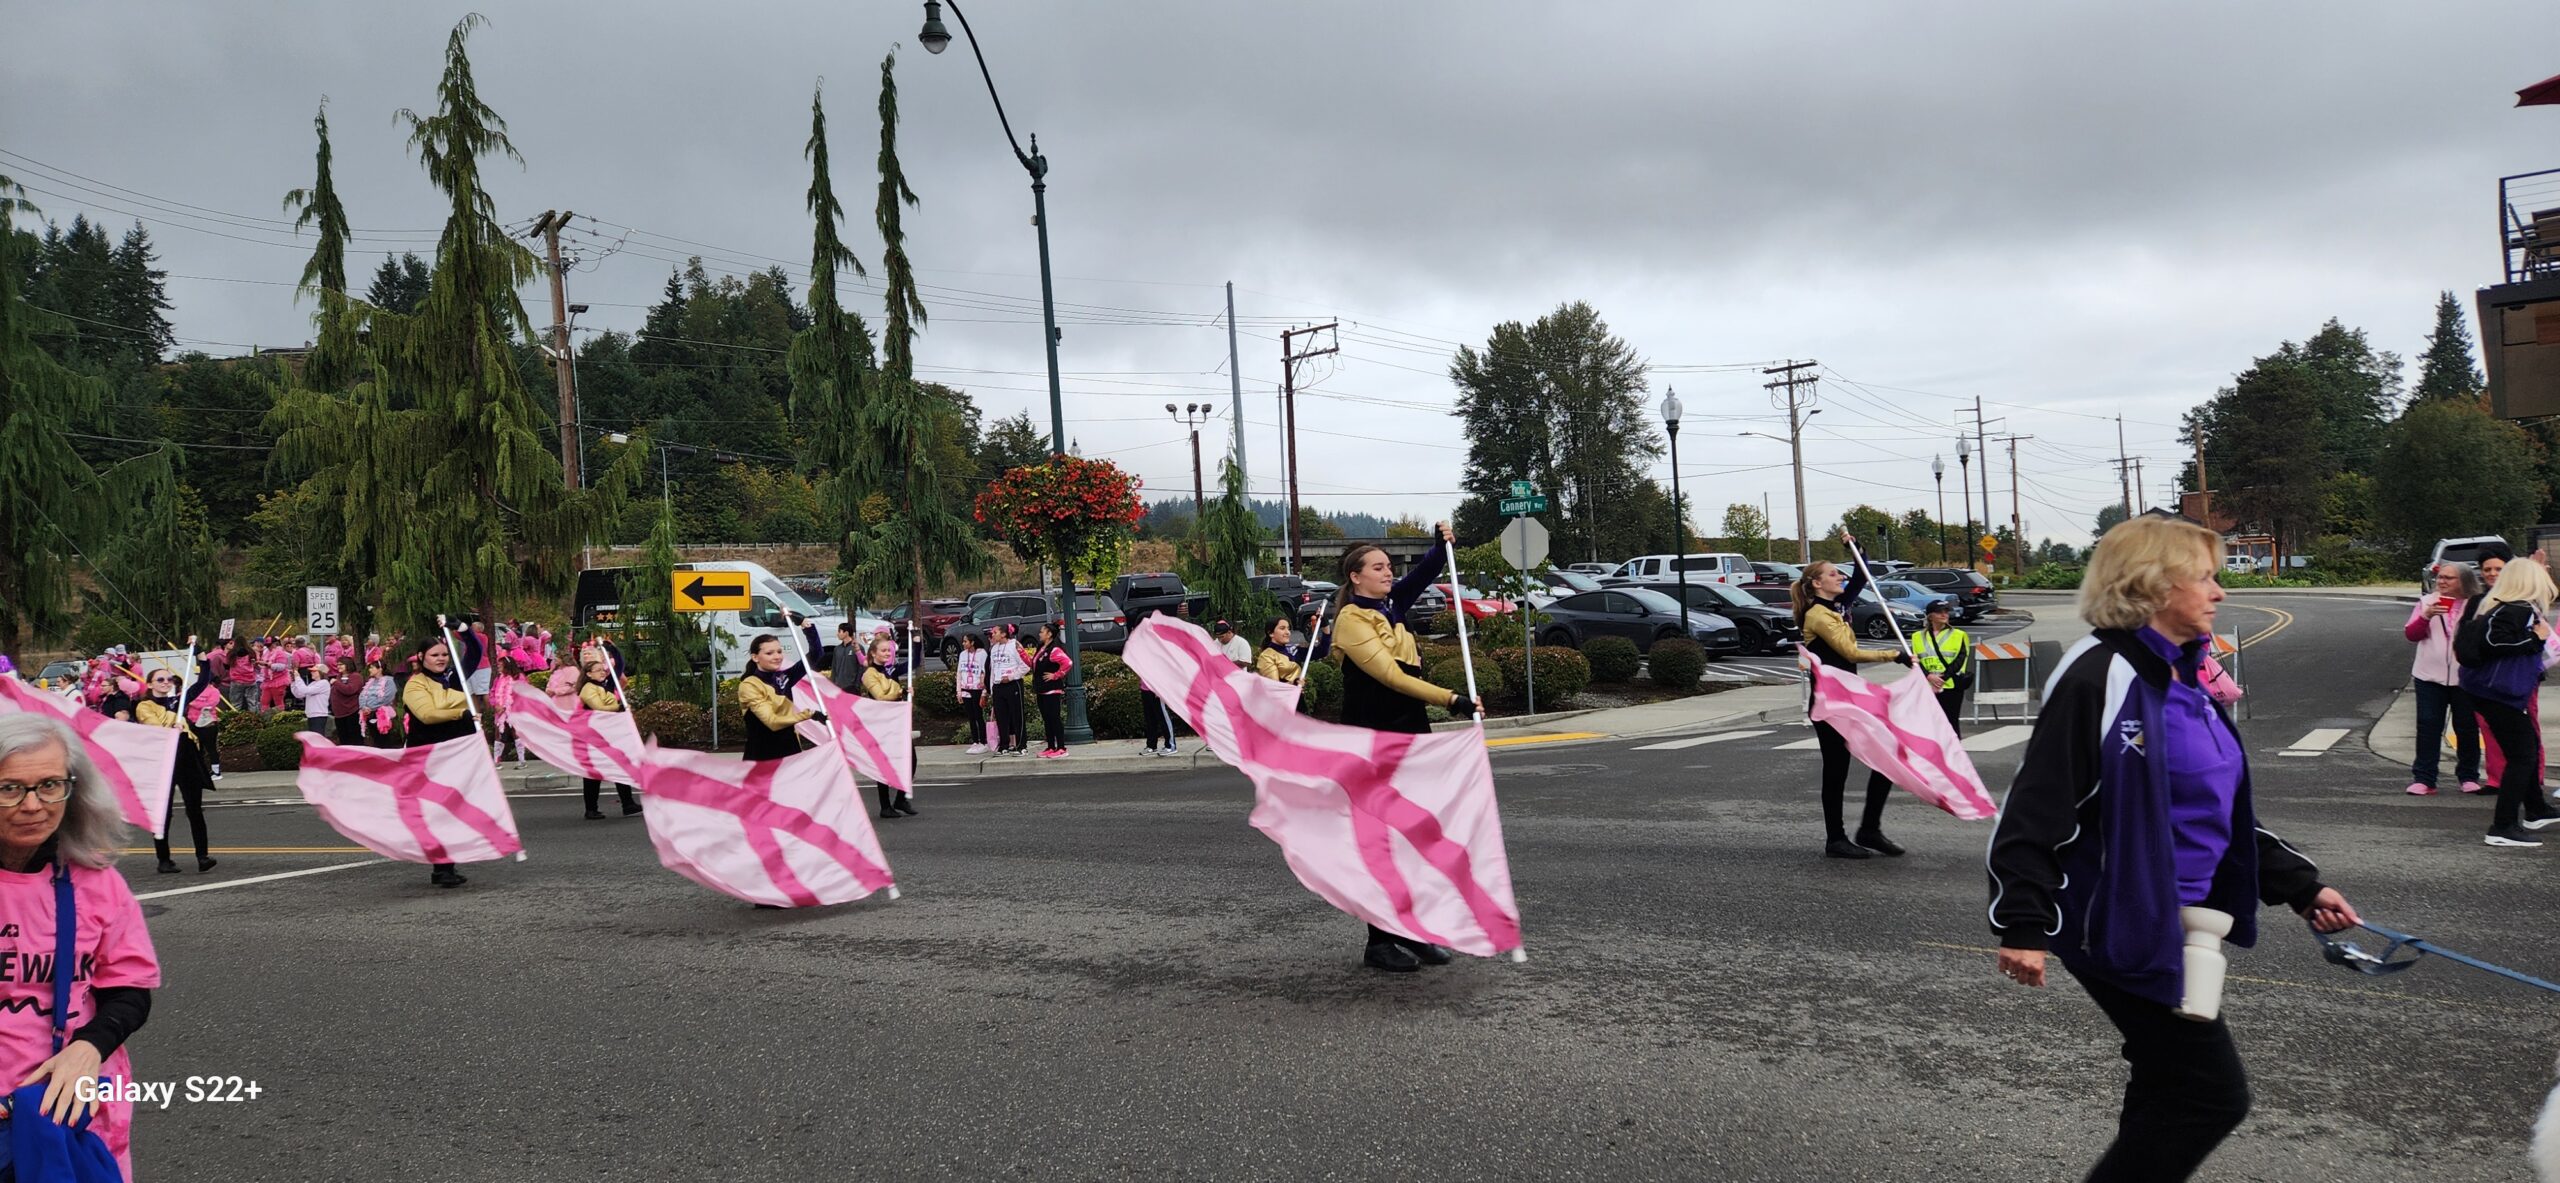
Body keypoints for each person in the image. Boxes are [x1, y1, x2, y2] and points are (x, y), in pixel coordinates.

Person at [1987, 514, 2360, 1182]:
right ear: (2153, 585)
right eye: (2205, 576)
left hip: (2178, 919)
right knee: (2206, 1093)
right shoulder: (2102, 674)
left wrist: (2300, 884)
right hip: (2116, 919)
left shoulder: (2188, 675)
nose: (2219, 591)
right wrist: (2022, 920)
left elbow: (2212, 810)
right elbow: (2036, 805)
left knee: (2167, 1084)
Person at [0, 713, 163, 1180]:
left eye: (50, 785)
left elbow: (129, 988)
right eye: (11, 788)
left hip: (76, 1103)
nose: (34, 805)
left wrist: (89, 1047)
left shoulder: (97, 883)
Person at [1332, 525, 1479, 972]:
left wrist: (1440, 544)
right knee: (1387, 841)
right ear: (1355, 577)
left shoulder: (1393, 603)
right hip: (1374, 734)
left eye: (1390, 567)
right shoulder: (1352, 620)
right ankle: (1381, 940)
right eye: (1378, 567)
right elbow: (1391, 677)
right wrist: (1452, 699)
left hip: (1409, 728)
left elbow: (1429, 569)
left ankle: (1416, 933)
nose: (1388, 573)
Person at [1794, 535, 1910, 860]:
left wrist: (1857, 548)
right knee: (1836, 769)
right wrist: (1895, 655)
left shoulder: (1839, 605)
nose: (1840, 577)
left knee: (1887, 755)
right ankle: (1836, 839)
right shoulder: (1817, 615)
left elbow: (1861, 574)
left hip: (1851, 697)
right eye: (1833, 574)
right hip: (1830, 703)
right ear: (1817, 583)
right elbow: (1849, 652)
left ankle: (1869, 829)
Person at [2459, 557, 2560, 848]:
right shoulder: (2517, 608)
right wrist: (2535, 639)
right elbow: (2496, 644)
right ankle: (2502, 826)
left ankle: (2536, 810)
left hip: (2488, 690)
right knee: (2523, 755)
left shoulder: (2497, 605)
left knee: (2525, 748)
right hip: (2500, 692)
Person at [405, 627, 478, 889]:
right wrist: (460, 714)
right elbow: (427, 714)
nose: (441, 658)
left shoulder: (453, 678)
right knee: (439, 811)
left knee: (454, 810)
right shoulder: (415, 684)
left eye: (445, 654)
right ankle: (442, 868)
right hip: (429, 756)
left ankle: (446, 866)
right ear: (421, 657)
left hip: (456, 754)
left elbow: (476, 652)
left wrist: (462, 629)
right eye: (435, 654)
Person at [2404, 562, 2484, 796]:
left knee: (2467, 728)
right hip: (2429, 676)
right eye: (2440, 577)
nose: (2442, 581)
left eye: (2449, 578)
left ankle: (2468, 776)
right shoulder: (2427, 602)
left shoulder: (2477, 606)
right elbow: (2412, 634)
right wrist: (2426, 616)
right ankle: (2424, 779)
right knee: (2428, 726)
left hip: (2465, 678)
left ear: (2464, 582)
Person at [2467, 550, 2542, 793]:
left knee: (2525, 741)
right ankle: (2505, 812)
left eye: (2498, 569)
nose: (2492, 574)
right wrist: (2534, 640)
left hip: (2498, 682)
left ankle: (2533, 800)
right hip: (2500, 683)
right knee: (2520, 746)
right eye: (2487, 569)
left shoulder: (2508, 605)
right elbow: (2492, 642)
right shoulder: (2503, 606)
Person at [133, 663, 215, 875]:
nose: (166, 682)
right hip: (163, 759)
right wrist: (172, 726)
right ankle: (164, 859)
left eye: (169, 679)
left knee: (195, 809)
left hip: (186, 755)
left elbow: (204, 680)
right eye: (160, 679)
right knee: (163, 812)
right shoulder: (145, 706)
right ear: (150, 684)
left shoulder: (179, 701)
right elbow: (154, 729)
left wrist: (202, 657)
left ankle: (203, 856)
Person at [575, 654, 642, 820]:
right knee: (594, 773)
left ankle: (628, 804)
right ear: (588, 673)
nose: (602, 672)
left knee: (620, 765)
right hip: (594, 735)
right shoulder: (588, 688)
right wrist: (618, 707)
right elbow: (598, 707)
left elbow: (619, 666)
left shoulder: (603, 686)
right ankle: (591, 808)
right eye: (597, 670)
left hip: (608, 733)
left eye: (602, 669)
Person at [860, 636, 919, 819]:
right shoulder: (869, 674)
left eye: (889, 650)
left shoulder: (891, 668)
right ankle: (885, 806)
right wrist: (901, 691)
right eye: (883, 650)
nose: (887, 653)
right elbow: (880, 696)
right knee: (883, 764)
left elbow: (914, 663)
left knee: (911, 759)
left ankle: (900, 799)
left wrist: (916, 643)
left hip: (897, 720)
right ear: (873, 653)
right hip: (881, 723)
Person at [738, 633, 820, 763]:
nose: (777, 657)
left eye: (779, 652)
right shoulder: (750, 685)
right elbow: (772, 722)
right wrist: (809, 714)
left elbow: (816, 655)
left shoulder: (784, 677)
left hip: (790, 753)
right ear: (755, 657)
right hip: (762, 757)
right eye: (769, 653)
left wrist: (807, 627)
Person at [1910, 598, 1972, 731]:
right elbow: (1915, 661)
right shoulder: (1917, 637)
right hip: (1927, 685)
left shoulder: (1959, 635)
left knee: (1951, 723)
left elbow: (1961, 660)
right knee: (1929, 724)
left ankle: (1954, 751)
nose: (1944, 615)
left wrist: (1942, 679)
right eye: (1939, 612)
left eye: (1946, 611)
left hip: (1951, 686)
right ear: (1930, 616)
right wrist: (1928, 676)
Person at [1030, 621, 1075, 758]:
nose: (1040, 633)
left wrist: (1056, 675)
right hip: (1041, 689)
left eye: (1042, 631)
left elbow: (1068, 663)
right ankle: (1050, 746)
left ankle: (1061, 747)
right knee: (1047, 719)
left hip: (1052, 689)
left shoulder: (1054, 649)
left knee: (1054, 718)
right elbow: (1033, 664)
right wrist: (1020, 652)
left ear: (1049, 634)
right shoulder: (1041, 648)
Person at [988, 624, 1029, 756]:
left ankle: (1021, 745)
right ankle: (1004, 745)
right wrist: (992, 689)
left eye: (995, 632)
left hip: (1013, 684)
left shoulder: (1014, 645)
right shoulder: (994, 648)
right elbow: (992, 670)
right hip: (998, 685)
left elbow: (1026, 665)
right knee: (1001, 717)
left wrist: (1011, 677)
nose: (992, 634)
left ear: (1004, 634)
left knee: (1017, 715)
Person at [954, 632, 989, 755]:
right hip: (965, 688)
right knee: (971, 717)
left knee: (978, 715)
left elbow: (985, 672)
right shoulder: (963, 654)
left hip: (977, 688)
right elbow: (959, 672)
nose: (963, 644)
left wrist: (984, 691)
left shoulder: (982, 654)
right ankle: (975, 741)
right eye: (963, 641)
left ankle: (983, 741)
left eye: (965, 641)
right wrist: (959, 690)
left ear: (972, 642)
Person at [357, 660, 400, 748]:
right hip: (368, 713)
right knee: (375, 737)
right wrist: (363, 707)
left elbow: (387, 698)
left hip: (381, 713)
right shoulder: (371, 681)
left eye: (372, 667)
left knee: (383, 738)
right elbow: (362, 695)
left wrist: (371, 708)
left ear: (380, 669)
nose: (369, 670)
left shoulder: (389, 681)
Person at [289, 661, 333, 736]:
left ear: (321, 673)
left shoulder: (324, 683)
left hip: (319, 715)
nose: (311, 672)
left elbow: (305, 690)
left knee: (318, 739)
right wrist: (293, 681)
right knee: (313, 739)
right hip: (311, 715)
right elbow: (299, 694)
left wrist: (298, 677)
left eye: (314, 671)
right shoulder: (313, 683)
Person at [329, 659, 366, 745]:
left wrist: (336, 683)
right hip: (339, 714)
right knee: (343, 739)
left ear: (348, 665)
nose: (339, 666)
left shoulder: (356, 676)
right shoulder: (338, 676)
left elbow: (350, 690)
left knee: (354, 739)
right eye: (337, 664)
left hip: (351, 712)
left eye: (341, 664)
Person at [1256, 617, 1303, 684]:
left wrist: (1322, 624)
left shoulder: (1293, 649)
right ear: (1271, 633)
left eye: (1288, 628)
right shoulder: (1266, 656)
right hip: (1284, 693)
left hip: (1297, 693)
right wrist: (1294, 683)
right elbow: (1274, 687)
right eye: (1282, 628)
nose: (1288, 632)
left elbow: (1321, 651)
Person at [829, 622, 865, 693]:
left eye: (839, 631)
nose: (837, 634)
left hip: (852, 687)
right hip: (838, 686)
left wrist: (857, 685)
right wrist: (832, 683)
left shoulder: (858, 648)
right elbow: (834, 667)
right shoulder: (837, 649)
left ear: (846, 633)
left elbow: (861, 667)